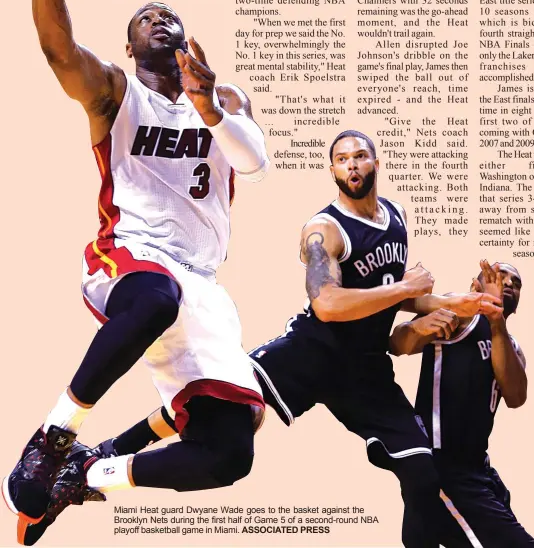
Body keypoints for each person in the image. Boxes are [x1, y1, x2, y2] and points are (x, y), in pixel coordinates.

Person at [22, 130, 502, 548]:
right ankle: (102, 455)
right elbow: (328, 304)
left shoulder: (394, 216)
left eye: (360, 155)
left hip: (367, 368)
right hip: (312, 351)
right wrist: (407, 290)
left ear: (377, 161)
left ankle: (94, 465)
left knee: (421, 473)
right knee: (224, 407)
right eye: (342, 159)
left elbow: (388, 295)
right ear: (333, 170)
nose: (353, 164)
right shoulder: (323, 231)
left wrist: (451, 301)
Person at [3, 0, 269, 544]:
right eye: (146, 18)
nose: (163, 20)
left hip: (202, 284)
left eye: (171, 17)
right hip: (132, 256)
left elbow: (253, 163)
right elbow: (58, 49)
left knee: (228, 453)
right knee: (154, 297)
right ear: (129, 47)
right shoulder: (116, 93)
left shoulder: (223, 99)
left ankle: (87, 476)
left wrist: (210, 106)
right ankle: (55, 436)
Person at [391, 261, 533, 547]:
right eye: (499, 277)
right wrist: (418, 329)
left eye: (515, 283)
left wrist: (496, 323)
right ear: (474, 287)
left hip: (478, 468)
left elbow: (516, 397)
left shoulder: (511, 345)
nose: (508, 284)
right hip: (443, 467)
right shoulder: (460, 317)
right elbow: (397, 344)